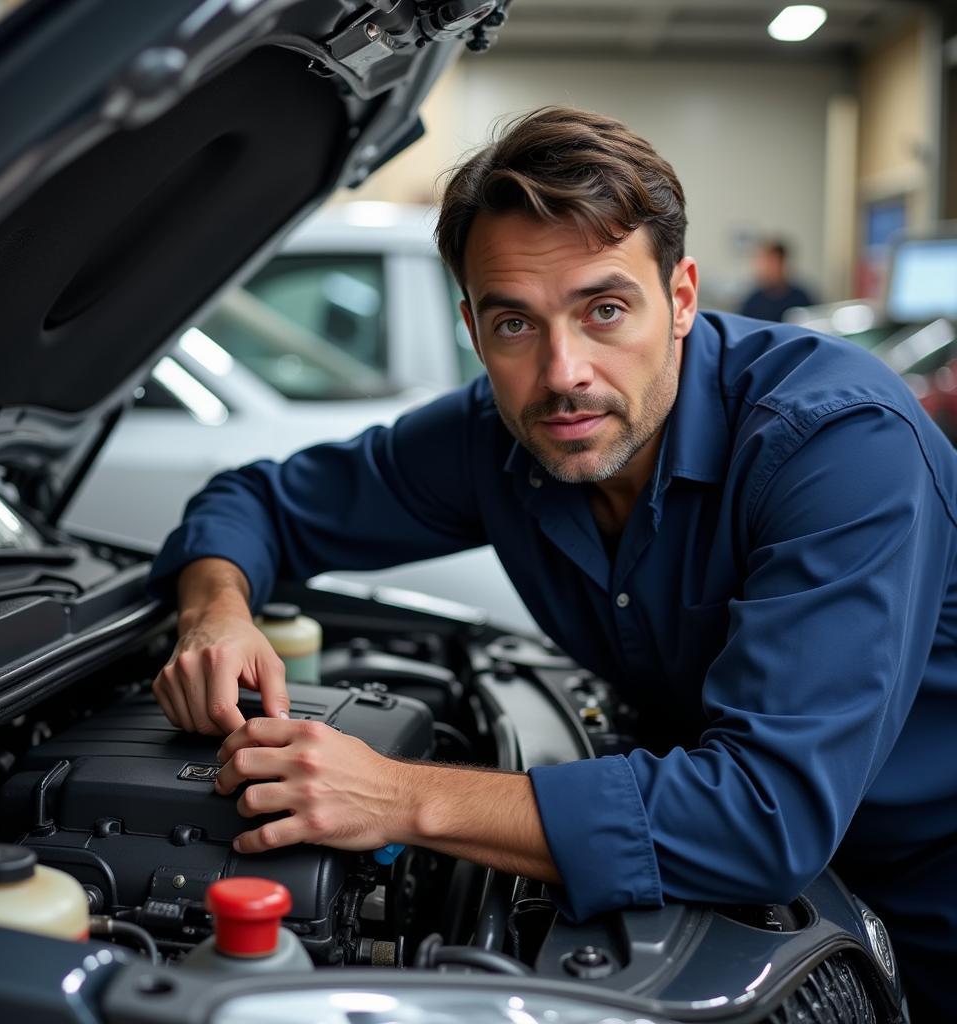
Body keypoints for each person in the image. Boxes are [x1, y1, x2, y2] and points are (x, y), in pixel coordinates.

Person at [148, 107, 956, 1016]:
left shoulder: (840, 446)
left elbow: (762, 814)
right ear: (472, 325)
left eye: (604, 309)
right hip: (750, 894)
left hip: (931, 888)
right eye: (515, 324)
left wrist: (399, 794)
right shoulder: (495, 437)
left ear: (682, 296)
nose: (563, 370)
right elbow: (256, 502)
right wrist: (215, 607)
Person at [738, 238, 814, 322]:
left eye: (771, 263)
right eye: (763, 263)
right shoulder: (753, 301)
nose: (766, 268)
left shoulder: (801, 299)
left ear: (782, 263)